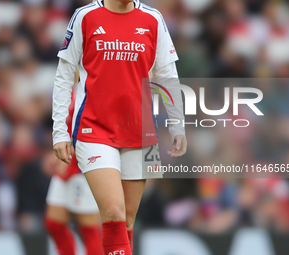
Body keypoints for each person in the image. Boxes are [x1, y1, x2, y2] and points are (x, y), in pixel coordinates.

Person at [52, 0, 187, 254]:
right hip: (94, 129)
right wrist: (59, 130)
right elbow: (64, 75)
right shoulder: (85, 16)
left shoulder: (153, 19)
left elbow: (168, 74)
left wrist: (178, 125)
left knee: (126, 223)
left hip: (141, 130)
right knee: (113, 213)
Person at [45, 83, 102, 255]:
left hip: (83, 166)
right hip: (66, 162)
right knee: (54, 223)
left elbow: (93, 128)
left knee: (88, 228)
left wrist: (71, 153)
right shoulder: (69, 86)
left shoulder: (95, 87)